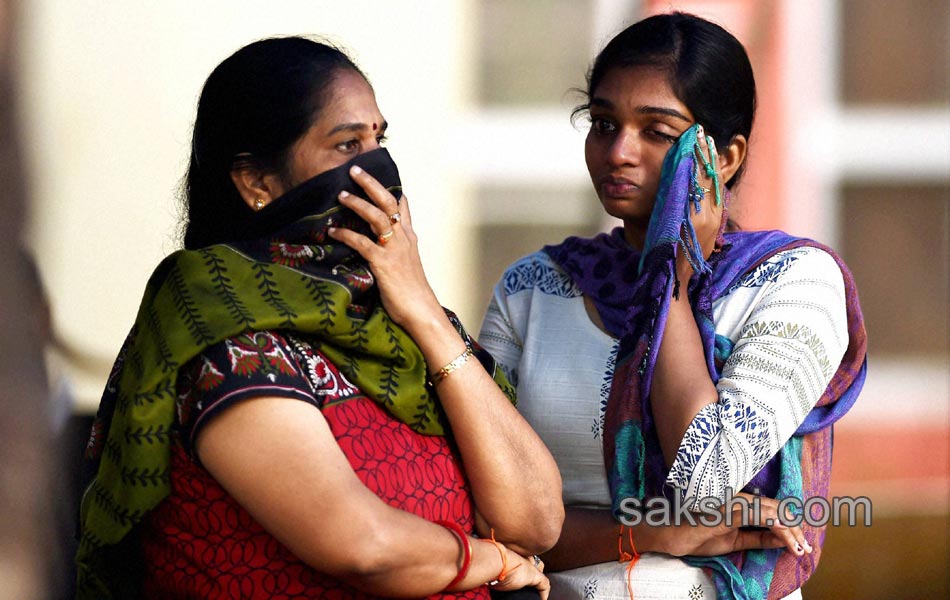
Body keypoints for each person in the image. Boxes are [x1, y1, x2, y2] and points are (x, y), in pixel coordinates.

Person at [75, 36, 564, 599]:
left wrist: (425, 310)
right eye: (346, 145)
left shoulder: (399, 319)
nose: (377, 168)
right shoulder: (225, 330)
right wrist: (495, 561)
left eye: (379, 139)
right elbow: (362, 544)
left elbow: (536, 521)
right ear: (257, 183)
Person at [478, 12, 866, 600]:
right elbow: (479, 514)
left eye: (657, 132)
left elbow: (705, 479)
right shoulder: (534, 288)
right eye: (603, 123)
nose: (619, 152)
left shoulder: (793, 284)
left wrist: (676, 282)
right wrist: (656, 534)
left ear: (725, 157)